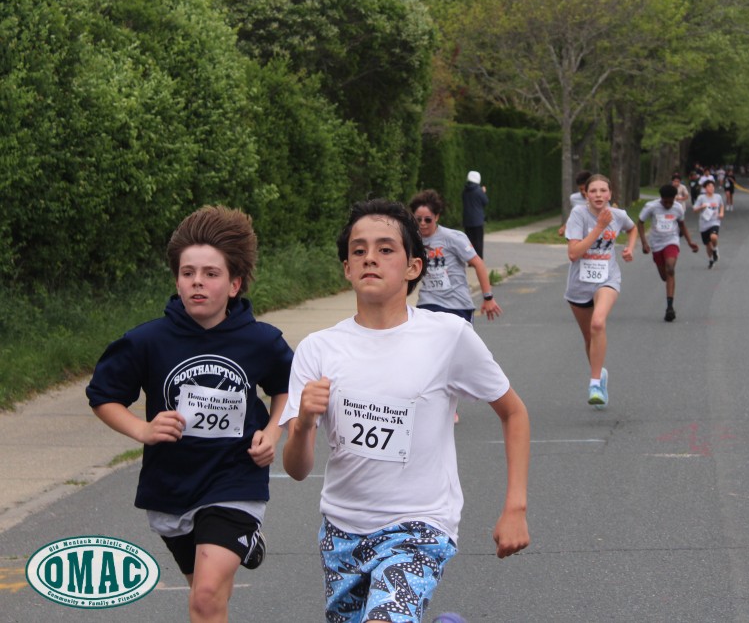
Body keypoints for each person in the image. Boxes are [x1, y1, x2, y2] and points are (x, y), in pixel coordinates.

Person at [280, 199, 530, 623]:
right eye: (358, 250)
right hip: (342, 530)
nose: (370, 258)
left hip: (419, 526)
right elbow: (297, 469)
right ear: (346, 269)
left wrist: (515, 508)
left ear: (414, 267)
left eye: (385, 249)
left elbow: (514, 413)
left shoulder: (447, 336)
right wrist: (303, 423)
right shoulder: (318, 349)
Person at [86, 206, 294, 622]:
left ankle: (238, 534)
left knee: (204, 595)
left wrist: (272, 432)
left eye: (211, 273)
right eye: (188, 273)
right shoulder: (147, 341)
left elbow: (289, 387)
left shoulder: (261, 341)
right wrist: (142, 430)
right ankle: (242, 544)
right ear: (177, 281)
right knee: (210, 595)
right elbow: (103, 396)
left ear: (234, 284)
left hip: (235, 477)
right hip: (172, 486)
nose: (198, 281)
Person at [564, 174, 638, 408]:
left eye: (603, 190)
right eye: (593, 191)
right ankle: (600, 374)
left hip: (607, 278)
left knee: (598, 323)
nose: (598, 195)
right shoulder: (578, 215)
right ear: (586, 194)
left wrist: (630, 248)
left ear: (610, 194)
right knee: (589, 337)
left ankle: (594, 383)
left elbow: (632, 228)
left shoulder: (618, 215)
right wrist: (599, 227)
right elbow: (573, 253)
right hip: (579, 284)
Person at [410, 189, 501, 324]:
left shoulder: (453, 237)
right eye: (418, 219)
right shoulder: (413, 241)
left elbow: (478, 263)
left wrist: (488, 297)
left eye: (428, 220)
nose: (422, 223)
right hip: (428, 304)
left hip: (456, 305)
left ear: (437, 217)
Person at [637, 184, 699, 322]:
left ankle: (670, 307)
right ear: (661, 198)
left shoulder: (678, 208)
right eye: (665, 202)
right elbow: (640, 222)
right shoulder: (651, 207)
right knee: (665, 276)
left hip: (672, 241)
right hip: (656, 244)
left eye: (670, 202)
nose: (668, 205)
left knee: (670, 268)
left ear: (674, 199)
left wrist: (690, 242)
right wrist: (644, 243)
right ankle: (669, 283)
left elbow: (682, 225)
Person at [692, 178, 725, 269]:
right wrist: (701, 207)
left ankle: (715, 249)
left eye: (712, 186)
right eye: (709, 186)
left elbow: (721, 205)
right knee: (708, 244)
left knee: (713, 237)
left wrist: (721, 213)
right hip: (704, 223)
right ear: (705, 188)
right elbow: (695, 210)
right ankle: (711, 259)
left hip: (715, 221)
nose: (711, 188)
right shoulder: (701, 198)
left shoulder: (718, 197)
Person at [461, 170, 488, 259]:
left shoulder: (465, 191)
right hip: (477, 220)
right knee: (478, 241)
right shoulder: (479, 191)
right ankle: (478, 259)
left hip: (467, 219)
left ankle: (470, 259)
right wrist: (483, 192)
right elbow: (485, 201)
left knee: (469, 241)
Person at [558, 170, 592, 237]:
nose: (583, 192)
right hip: (579, 232)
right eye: (581, 189)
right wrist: (565, 227)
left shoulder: (598, 198)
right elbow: (573, 215)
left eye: (585, 189)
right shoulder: (574, 198)